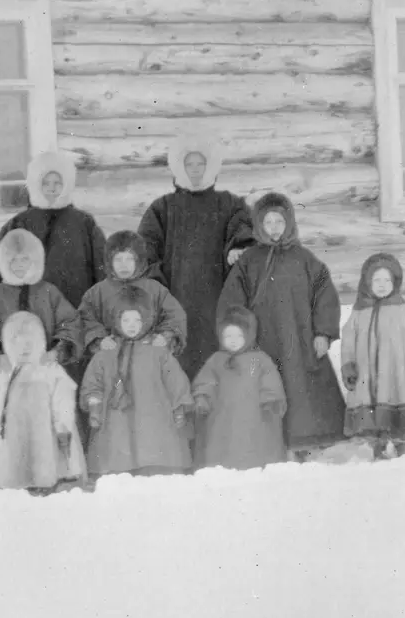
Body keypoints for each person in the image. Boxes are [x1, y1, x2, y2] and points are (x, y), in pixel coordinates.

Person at [217, 192, 346, 460]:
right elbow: (233, 301)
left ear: (289, 222)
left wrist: (324, 332)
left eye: (279, 221)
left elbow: (325, 295)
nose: (274, 227)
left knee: (302, 389)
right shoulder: (249, 261)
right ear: (259, 226)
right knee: (266, 388)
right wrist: (238, 336)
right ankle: (268, 444)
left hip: (300, 339)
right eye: (268, 222)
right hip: (263, 340)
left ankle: (304, 442)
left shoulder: (305, 259)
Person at [137, 144, 255, 380]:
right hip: (177, 294)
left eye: (200, 163)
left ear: (209, 166)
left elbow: (243, 228)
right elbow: (146, 247)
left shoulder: (229, 203)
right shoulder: (163, 207)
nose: (195, 170)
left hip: (216, 297)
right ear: (180, 168)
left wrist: (238, 248)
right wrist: (158, 288)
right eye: (189, 164)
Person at [0, 311, 87, 493]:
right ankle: (10, 491)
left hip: (44, 437)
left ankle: (45, 488)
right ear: (8, 344)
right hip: (10, 436)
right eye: (17, 341)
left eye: (30, 342)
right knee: (10, 465)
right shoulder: (2, 374)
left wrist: (62, 426)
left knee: (43, 463)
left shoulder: (50, 371)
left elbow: (63, 400)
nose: (25, 348)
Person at [79, 291, 195, 480]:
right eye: (126, 321)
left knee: (156, 465)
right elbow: (93, 382)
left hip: (154, 421)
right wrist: (94, 406)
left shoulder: (158, 353)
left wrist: (179, 407)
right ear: (117, 321)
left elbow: (175, 380)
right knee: (116, 462)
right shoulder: (105, 353)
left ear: (146, 321)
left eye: (137, 321)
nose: (131, 326)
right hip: (115, 424)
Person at [0, 151, 107, 314]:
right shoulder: (19, 224)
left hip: (76, 312)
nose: (52, 189)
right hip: (30, 316)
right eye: (46, 183)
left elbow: (102, 270)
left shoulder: (84, 223)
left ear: (67, 184)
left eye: (57, 183)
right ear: (36, 184)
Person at [340, 253, 405, 460]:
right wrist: (349, 365)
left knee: (398, 408)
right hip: (367, 374)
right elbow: (348, 341)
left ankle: (400, 448)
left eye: (387, 280)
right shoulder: (358, 312)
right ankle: (379, 447)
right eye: (376, 280)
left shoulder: (404, 309)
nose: (382, 285)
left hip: (397, 373)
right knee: (374, 411)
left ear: (395, 282)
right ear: (367, 282)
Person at [0, 228, 80, 388]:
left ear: (35, 260)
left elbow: (70, 322)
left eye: (24, 259)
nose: (19, 265)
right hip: (5, 369)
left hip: (42, 367)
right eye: (13, 260)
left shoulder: (48, 292)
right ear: (4, 262)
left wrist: (56, 352)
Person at [191, 305, 287, 471]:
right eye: (228, 335)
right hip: (223, 417)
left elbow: (270, 381)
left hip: (255, 416)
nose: (233, 340)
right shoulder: (216, 360)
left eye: (239, 335)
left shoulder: (260, 360)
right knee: (222, 443)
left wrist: (271, 400)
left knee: (254, 443)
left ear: (249, 335)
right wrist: (202, 398)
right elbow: (205, 381)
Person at [78, 231, 187, 362]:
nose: (124, 265)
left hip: (148, 359)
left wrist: (165, 337)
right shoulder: (96, 292)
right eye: (118, 259)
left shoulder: (155, 289)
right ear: (109, 261)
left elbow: (175, 315)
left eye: (129, 259)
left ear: (139, 260)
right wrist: (99, 340)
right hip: (110, 360)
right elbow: (85, 318)